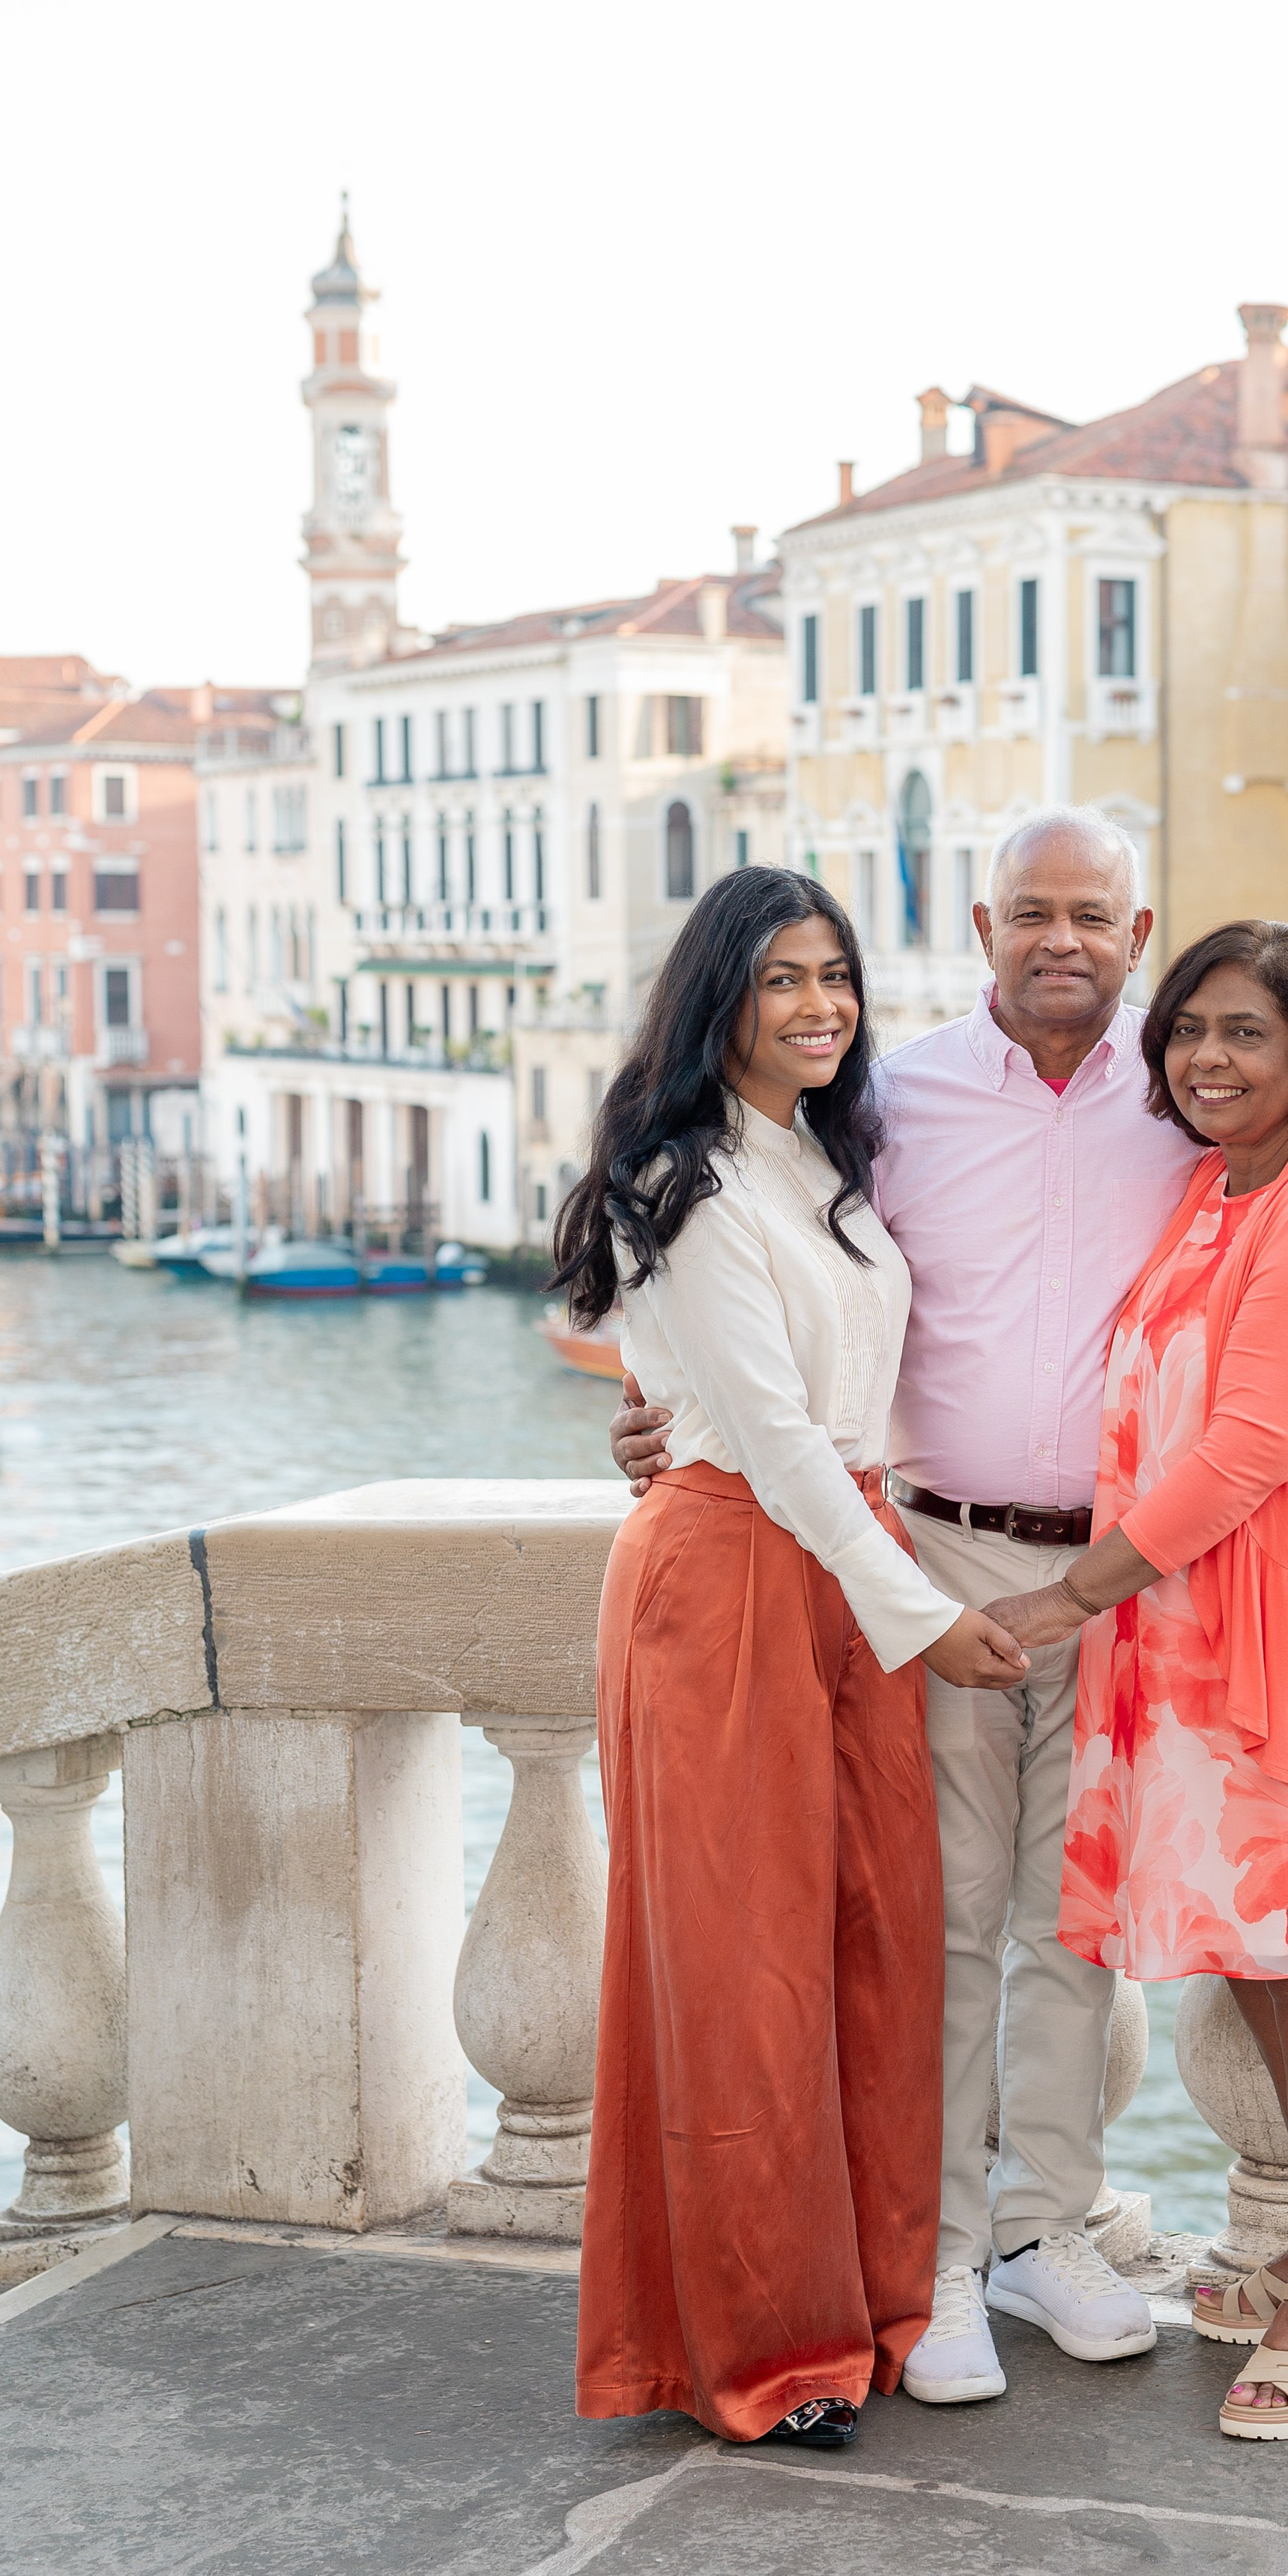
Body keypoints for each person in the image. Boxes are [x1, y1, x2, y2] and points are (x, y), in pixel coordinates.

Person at [611, 812, 1288, 2408]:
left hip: (1140, 1589)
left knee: (1079, 1931)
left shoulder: (1193, 1097)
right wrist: (659, 1413)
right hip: (928, 1560)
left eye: (1093, 916)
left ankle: (1044, 2227)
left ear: (1138, 935)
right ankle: (930, 2258)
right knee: (937, 1920)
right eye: (1029, 914)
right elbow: (756, 1271)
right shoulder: (889, 1098)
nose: (1060, 940)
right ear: (981, 929)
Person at [554, 866, 1028, 2453]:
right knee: (745, 1976)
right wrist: (932, 1618)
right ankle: (762, 2348)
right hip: (734, 1584)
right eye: (780, 980)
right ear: (720, 999)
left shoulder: (820, 1157)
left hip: (841, 1575)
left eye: (834, 974)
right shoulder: (681, 1180)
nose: (819, 1004)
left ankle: (877, 2296)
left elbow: (846, 1402)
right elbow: (764, 1439)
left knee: (872, 1951)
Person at [984, 920, 1288, 2446]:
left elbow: (1252, 1447)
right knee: (1261, 1954)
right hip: (1205, 1623)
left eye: (1245, 1033)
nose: (1205, 1056)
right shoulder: (1215, 1186)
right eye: (1187, 1029)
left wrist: (1067, 1592)